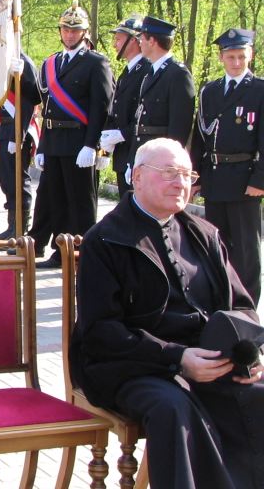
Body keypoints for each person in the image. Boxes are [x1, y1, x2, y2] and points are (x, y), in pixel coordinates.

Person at [71, 137, 264, 489]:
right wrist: (177, 359)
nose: (181, 183)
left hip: (208, 359)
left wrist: (248, 355)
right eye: (170, 173)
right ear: (137, 177)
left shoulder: (204, 234)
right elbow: (100, 331)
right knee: (172, 407)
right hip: (132, 365)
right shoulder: (104, 240)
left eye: (188, 175)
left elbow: (241, 307)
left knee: (258, 391)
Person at [34, 0, 113, 268]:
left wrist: (93, 145)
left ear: (85, 33)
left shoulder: (96, 62)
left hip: (79, 142)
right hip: (54, 141)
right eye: (66, 30)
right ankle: (60, 251)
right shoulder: (51, 63)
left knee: (80, 202)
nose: (69, 35)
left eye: (75, 30)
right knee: (55, 199)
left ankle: (82, 253)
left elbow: (101, 108)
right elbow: (47, 108)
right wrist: (42, 147)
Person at [191, 28, 264, 306]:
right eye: (231, 57)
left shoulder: (259, 90)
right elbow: (200, 138)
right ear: (221, 57)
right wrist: (195, 176)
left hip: (245, 180)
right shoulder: (209, 91)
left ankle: (247, 310)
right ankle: (220, 304)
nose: (236, 62)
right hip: (215, 178)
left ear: (250, 56)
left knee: (246, 253)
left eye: (241, 57)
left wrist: (260, 179)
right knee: (215, 246)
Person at [129, 15, 195, 168]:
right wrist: (132, 159)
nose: (140, 42)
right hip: (145, 155)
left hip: (161, 161)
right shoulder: (151, 73)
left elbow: (179, 126)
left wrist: (170, 163)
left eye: (142, 38)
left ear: (152, 41)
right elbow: (140, 122)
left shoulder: (178, 74)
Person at [99, 16, 150, 197]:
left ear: (134, 40)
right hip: (123, 153)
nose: (115, 45)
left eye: (119, 39)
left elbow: (144, 115)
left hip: (136, 151)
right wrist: (105, 148)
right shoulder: (129, 71)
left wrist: (122, 134)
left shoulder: (146, 71)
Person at [0, 52, 42, 239]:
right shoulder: (1, 58)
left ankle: (21, 228)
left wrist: (18, 135)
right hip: (5, 127)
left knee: (19, 179)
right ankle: (12, 225)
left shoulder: (22, 61)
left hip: (19, 127)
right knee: (7, 179)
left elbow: (29, 101)